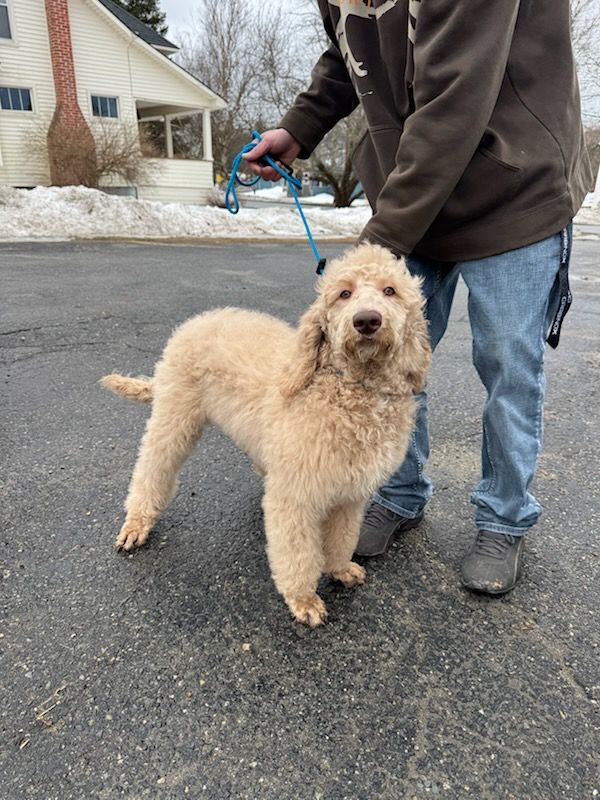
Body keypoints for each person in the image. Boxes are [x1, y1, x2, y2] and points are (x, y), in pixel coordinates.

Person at [245, 0, 593, 595]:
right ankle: (399, 494)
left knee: (510, 364)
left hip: (513, 187)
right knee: (379, 363)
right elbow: (349, 52)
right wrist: (299, 128)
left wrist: (371, 254)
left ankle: (503, 518)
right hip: (414, 195)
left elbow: (457, 96)